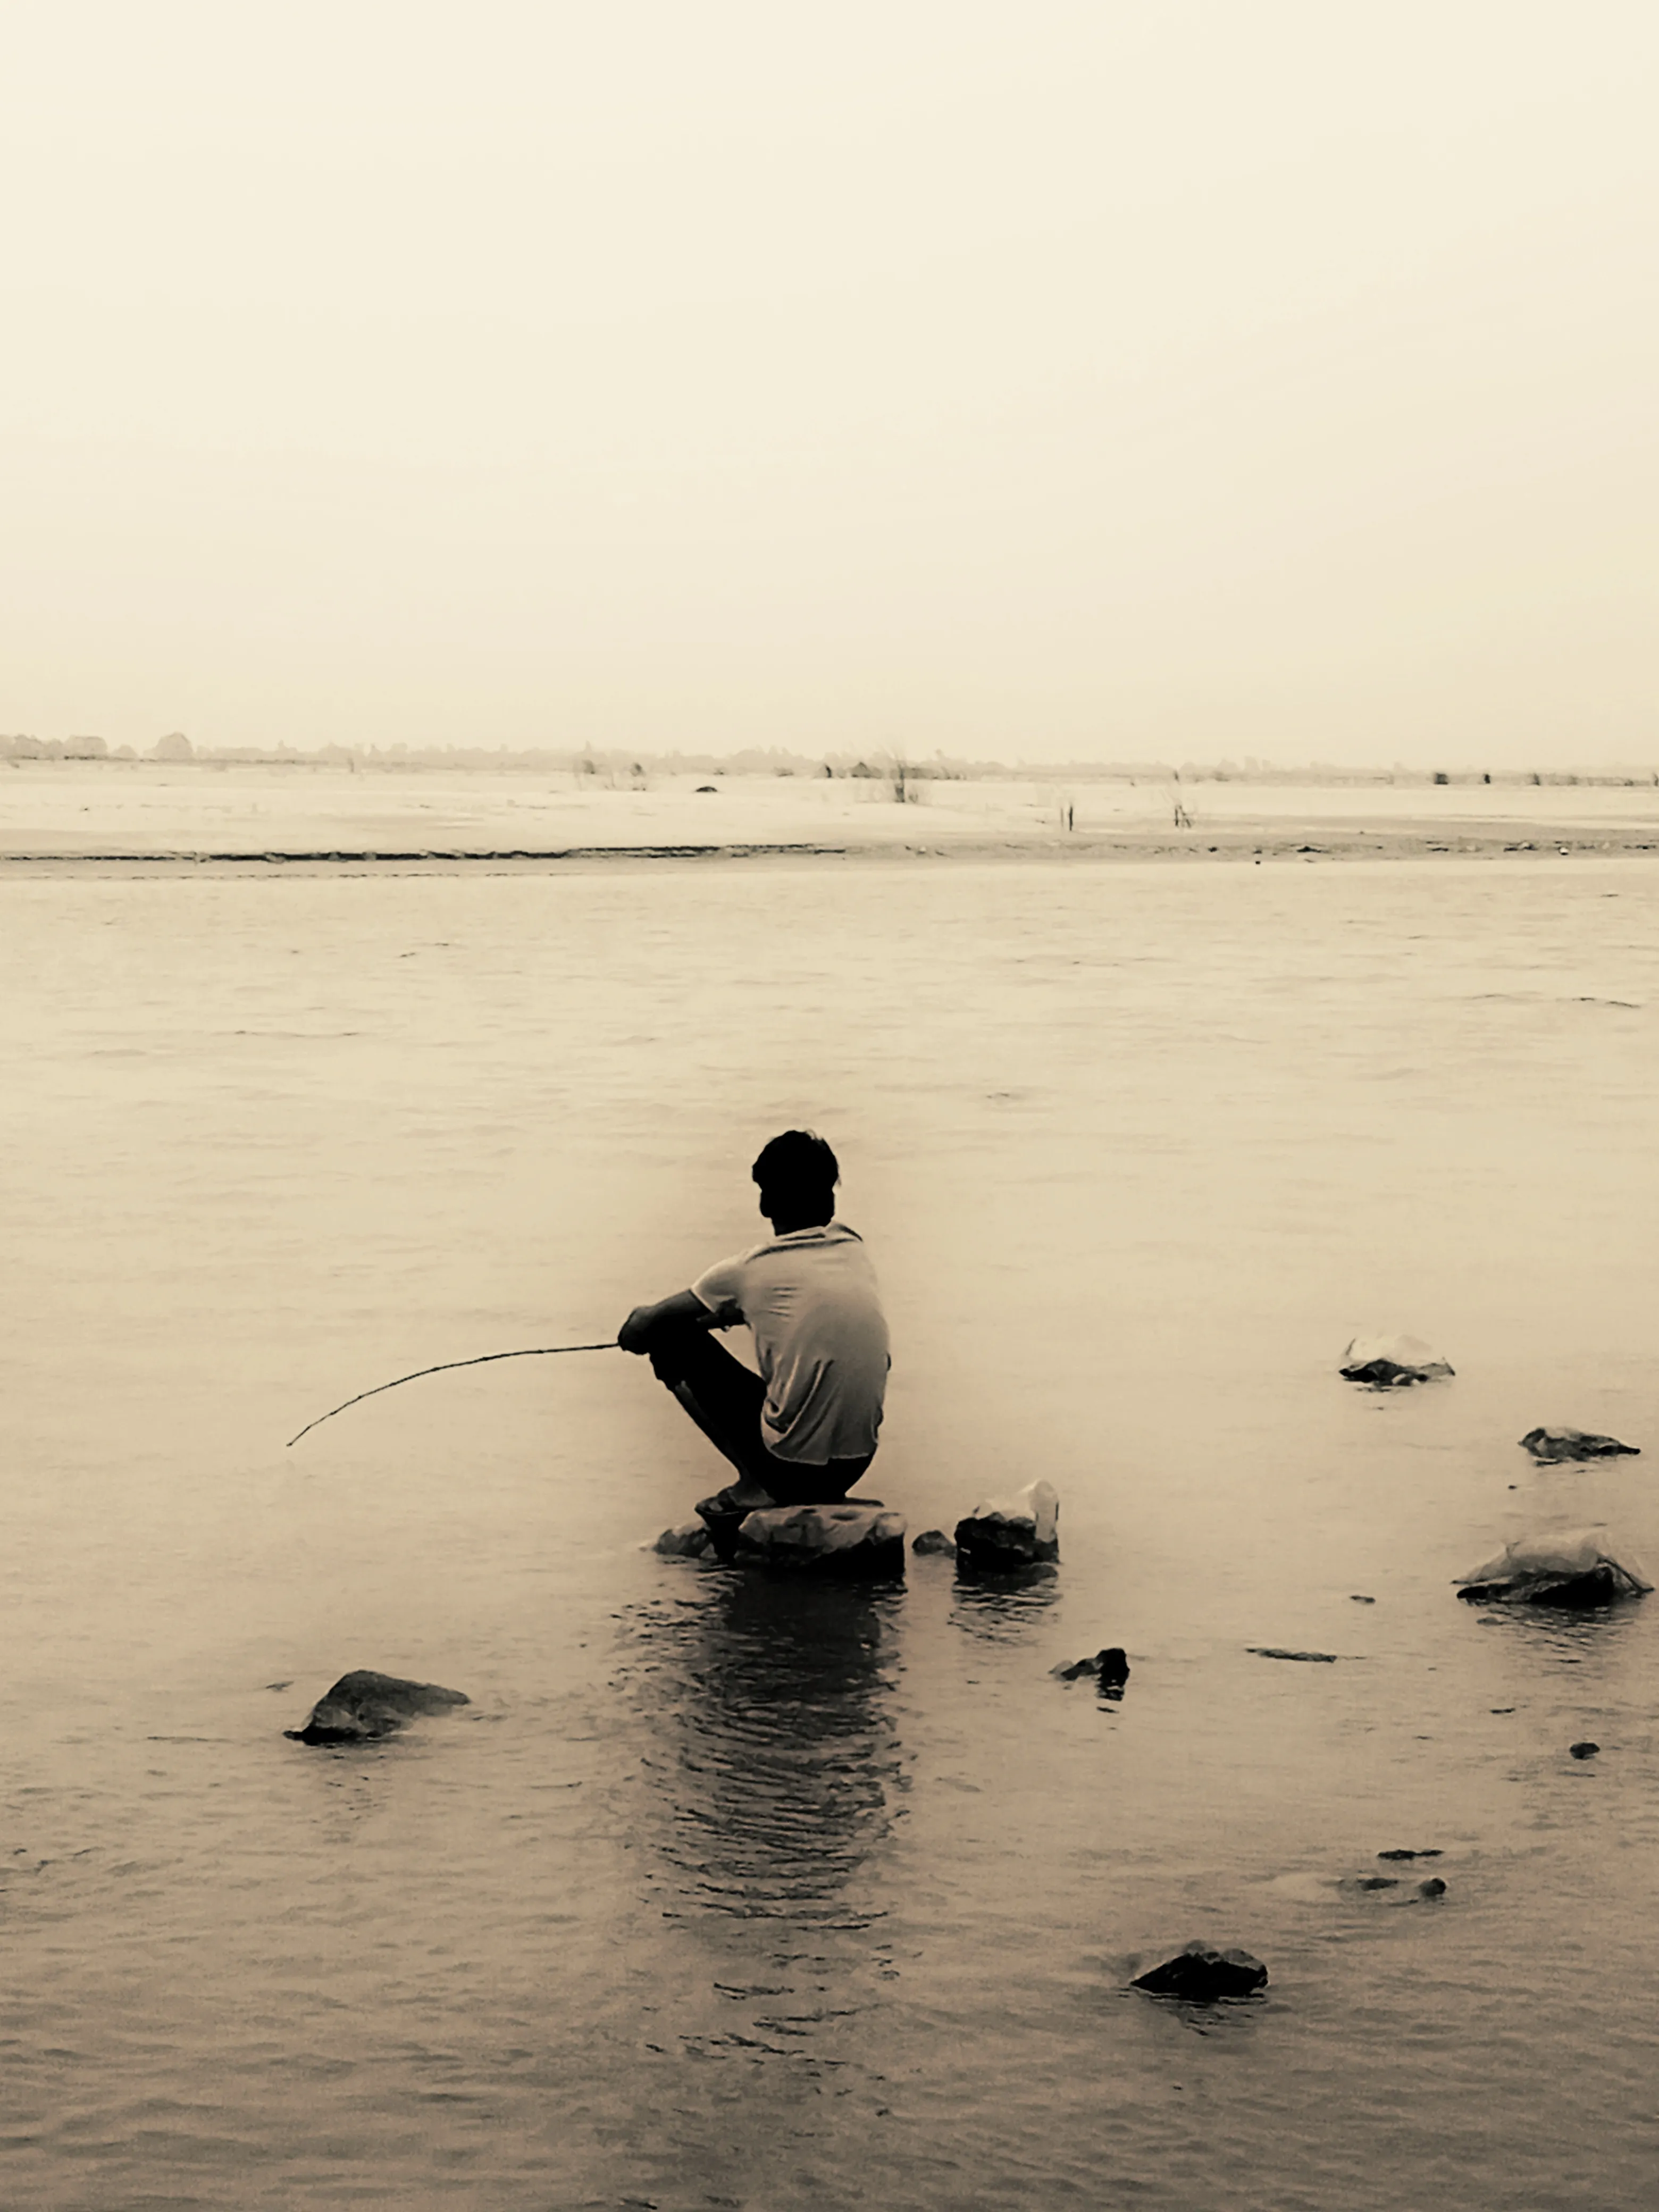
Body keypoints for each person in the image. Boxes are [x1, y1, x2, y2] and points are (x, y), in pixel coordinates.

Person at [619, 1131, 890, 1543]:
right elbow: (799, 1307)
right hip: (856, 1461)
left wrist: (643, 1327)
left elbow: (642, 1328)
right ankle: (780, 1479)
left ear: (765, 1202)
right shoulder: (853, 1248)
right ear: (830, 1198)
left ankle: (756, 1483)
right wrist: (729, 1314)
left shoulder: (749, 1270)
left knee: (670, 1341)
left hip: (793, 1471)